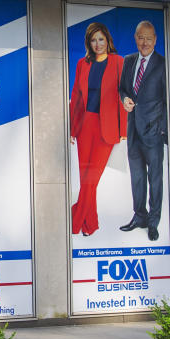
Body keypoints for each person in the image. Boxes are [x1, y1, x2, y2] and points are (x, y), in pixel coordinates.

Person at [69, 21, 126, 237]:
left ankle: (76, 219)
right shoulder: (82, 64)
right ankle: (90, 224)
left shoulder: (118, 62)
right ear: (89, 43)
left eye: (101, 39)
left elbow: (123, 95)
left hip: (107, 126)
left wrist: (124, 129)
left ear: (107, 40)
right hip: (85, 124)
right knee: (86, 177)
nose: (97, 43)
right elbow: (76, 96)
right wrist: (72, 129)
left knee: (92, 178)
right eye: (93, 40)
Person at [118, 20, 166, 242]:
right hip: (133, 130)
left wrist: (162, 130)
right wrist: (125, 98)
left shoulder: (163, 64)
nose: (144, 42)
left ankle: (153, 222)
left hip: (153, 132)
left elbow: (168, 100)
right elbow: (123, 89)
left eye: (148, 38)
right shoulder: (128, 61)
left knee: (155, 179)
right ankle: (140, 216)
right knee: (137, 177)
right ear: (135, 38)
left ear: (155, 39)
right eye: (140, 37)